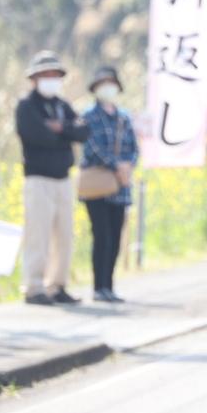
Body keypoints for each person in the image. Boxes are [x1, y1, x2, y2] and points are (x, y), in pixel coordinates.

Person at [16, 51, 89, 305]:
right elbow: (38, 136)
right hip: (38, 179)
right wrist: (64, 133)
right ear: (35, 78)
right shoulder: (27, 106)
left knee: (64, 234)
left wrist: (62, 129)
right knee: (39, 233)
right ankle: (34, 286)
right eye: (45, 75)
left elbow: (83, 131)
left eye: (54, 75)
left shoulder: (61, 105)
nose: (50, 79)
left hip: (63, 178)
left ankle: (57, 285)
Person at [80, 66, 138, 302]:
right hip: (98, 182)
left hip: (121, 184)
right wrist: (116, 165)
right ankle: (98, 286)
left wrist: (128, 166)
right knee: (101, 235)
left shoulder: (124, 117)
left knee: (115, 236)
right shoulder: (89, 116)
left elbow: (134, 148)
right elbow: (91, 146)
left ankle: (109, 285)